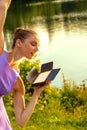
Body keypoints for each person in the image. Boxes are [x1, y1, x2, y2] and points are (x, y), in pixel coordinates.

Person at [0, 0, 49, 130]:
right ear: (19, 43)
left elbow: (21, 121)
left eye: (38, 46)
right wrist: (4, 5)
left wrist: (37, 93)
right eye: (33, 44)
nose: (37, 49)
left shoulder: (17, 82)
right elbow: (2, 8)